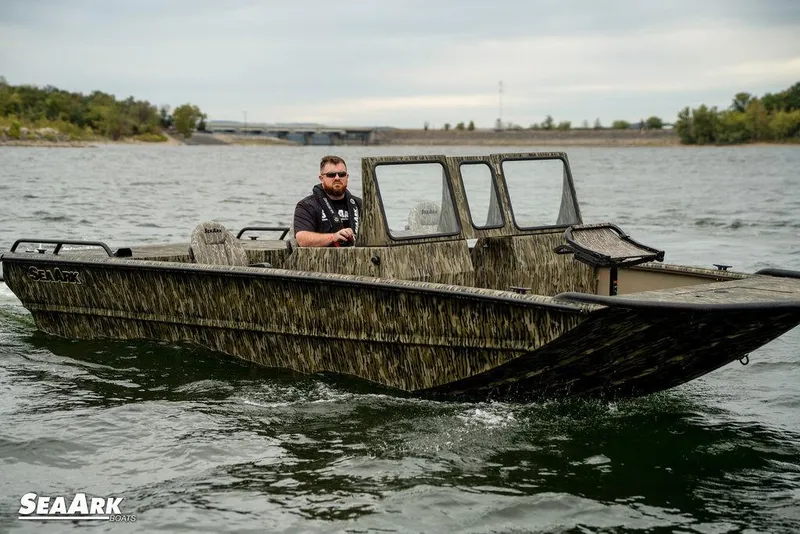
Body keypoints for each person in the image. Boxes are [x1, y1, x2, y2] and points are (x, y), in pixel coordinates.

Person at [293, 155, 363, 247]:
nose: (337, 178)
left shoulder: (360, 204)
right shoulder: (306, 205)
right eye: (331, 175)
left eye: (341, 174)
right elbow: (302, 239)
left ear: (347, 177)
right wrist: (334, 237)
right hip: (319, 259)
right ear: (321, 178)